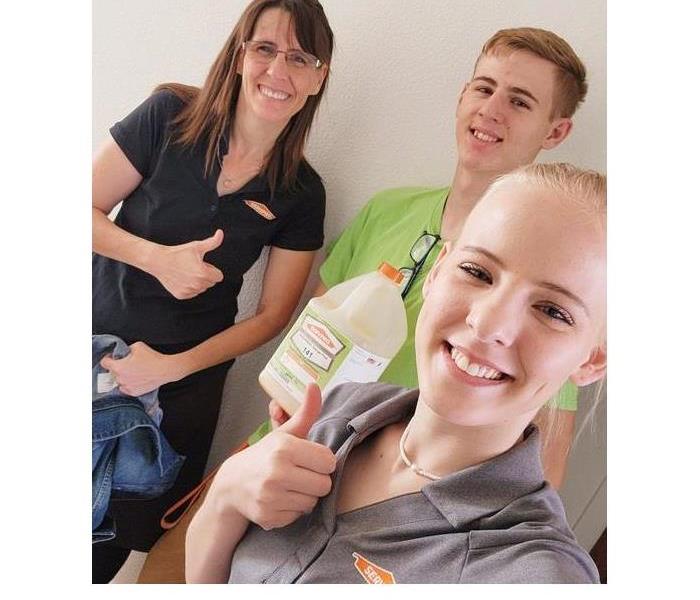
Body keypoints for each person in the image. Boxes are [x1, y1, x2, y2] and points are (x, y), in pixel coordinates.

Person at [186, 162, 607, 583]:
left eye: (553, 311)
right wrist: (226, 493)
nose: (488, 323)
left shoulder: (532, 573)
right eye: (477, 272)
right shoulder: (338, 409)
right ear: (437, 272)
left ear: (593, 359)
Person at [91, 0, 334, 583]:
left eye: (300, 58)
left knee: (110, 548)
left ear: (318, 77)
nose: (279, 71)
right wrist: (158, 260)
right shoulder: (168, 116)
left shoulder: (302, 191)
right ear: (240, 52)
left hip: (182, 390)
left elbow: (275, 313)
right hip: (88, 352)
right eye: (266, 49)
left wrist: (169, 369)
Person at [298, 27, 591, 490]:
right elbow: (305, 352)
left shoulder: (549, 296)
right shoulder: (385, 210)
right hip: (273, 449)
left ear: (555, 131)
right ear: (463, 96)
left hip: (365, 513)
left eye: (519, 101)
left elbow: (540, 481)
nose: (491, 110)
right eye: (484, 87)